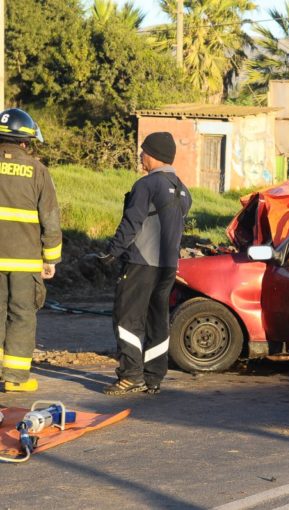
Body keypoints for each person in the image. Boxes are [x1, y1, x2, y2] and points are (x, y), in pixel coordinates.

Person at [100, 132, 192, 396]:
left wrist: (111, 253)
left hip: (141, 264)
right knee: (157, 320)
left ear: (154, 155)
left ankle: (130, 376)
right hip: (167, 267)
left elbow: (132, 224)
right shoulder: (184, 190)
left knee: (126, 319)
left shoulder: (146, 185)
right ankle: (153, 377)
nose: (140, 155)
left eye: (143, 151)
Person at [0, 108, 61, 392]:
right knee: (22, 314)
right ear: (24, 142)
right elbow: (49, 218)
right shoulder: (37, 170)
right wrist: (51, 258)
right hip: (24, 261)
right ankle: (14, 379)